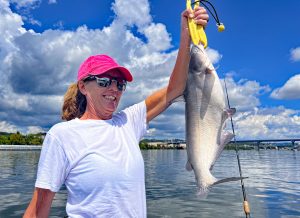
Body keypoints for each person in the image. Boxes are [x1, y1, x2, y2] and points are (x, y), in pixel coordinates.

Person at [23, 7, 209, 218]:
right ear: (83, 87)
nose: (114, 89)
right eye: (104, 82)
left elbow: (175, 89)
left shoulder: (128, 122)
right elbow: (40, 205)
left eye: (120, 84)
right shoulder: (62, 135)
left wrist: (186, 34)